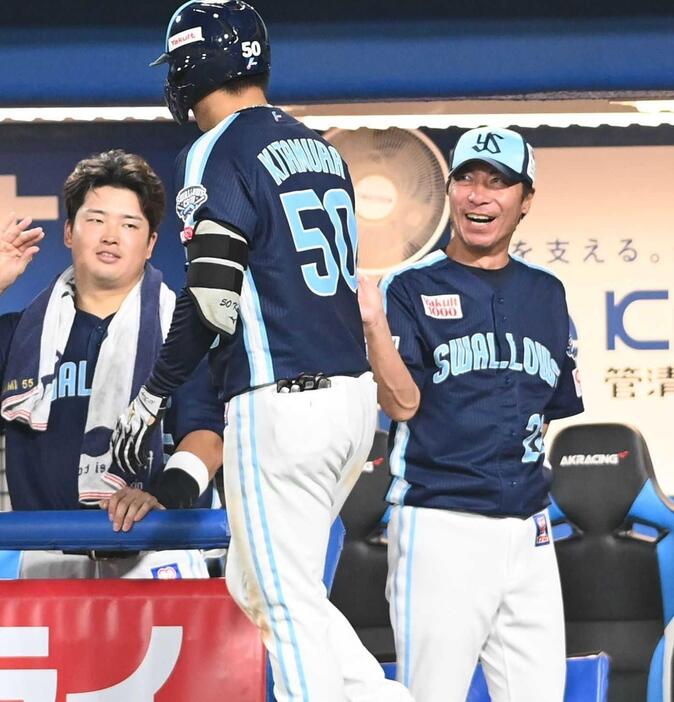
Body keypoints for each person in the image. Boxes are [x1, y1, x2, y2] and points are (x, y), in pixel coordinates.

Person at [110, 3, 413, 700]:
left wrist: (154, 394)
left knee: (281, 603)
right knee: (264, 584)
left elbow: (212, 299)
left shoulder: (216, 148)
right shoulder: (322, 149)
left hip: (282, 402)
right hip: (349, 404)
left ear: (194, 67)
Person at [358, 127, 584, 702]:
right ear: (450, 190)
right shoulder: (408, 288)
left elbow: (548, 410)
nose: (478, 195)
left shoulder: (547, 292)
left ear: (525, 200)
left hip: (529, 530)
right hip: (442, 523)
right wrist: (374, 326)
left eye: (498, 182)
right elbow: (400, 403)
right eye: (466, 179)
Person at [0, 149, 224, 578]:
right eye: (96, 219)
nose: (110, 236)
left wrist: (162, 499)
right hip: (47, 556)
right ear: (69, 232)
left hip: (156, 550)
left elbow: (208, 437)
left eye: (129, 224)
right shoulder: (20, 335)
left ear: (151, 243)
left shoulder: (183, 332)